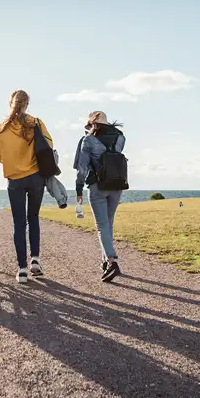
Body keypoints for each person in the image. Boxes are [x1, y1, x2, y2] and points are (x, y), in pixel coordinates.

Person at [0, 90, 53, 283]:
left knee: (19, 223)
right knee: (33, 217)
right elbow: (49, 146)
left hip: (14, 179)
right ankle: (35, 259)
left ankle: (22, 269)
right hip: (35, 177)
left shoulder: (2, 128)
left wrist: (14, 161)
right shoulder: (36, 122)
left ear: (10, 103)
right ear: (27, 104)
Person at [75, 111, 126, 282]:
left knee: (101, 225)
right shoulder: (120, 137)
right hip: (117, 185)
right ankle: (105, 261)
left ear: (92, 124)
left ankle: (112, 261)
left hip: (97, 186)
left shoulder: (88, 140)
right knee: (108, 224)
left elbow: (82, 168)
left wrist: (79, 188)